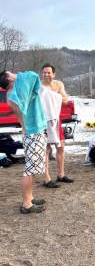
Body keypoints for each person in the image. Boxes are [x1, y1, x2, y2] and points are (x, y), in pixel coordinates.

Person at [0, 70, 47, 214]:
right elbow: (32, 75)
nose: (17, 73)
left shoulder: (12, 94)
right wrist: (19, 76)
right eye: (13, 73)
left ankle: (30, 197)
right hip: (32, 133)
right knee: (29, 169)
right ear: (10, 79)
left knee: (31, 168)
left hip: (29, 132)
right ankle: (26, 204)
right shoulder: (17, 92)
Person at [41, 63, 74, 187]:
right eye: (44, 72)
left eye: (49, 72)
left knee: (61, 147)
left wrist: (53, 97)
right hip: (43, 120)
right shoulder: (38, 86)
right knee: (46, 149)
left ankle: (61, 175)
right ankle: (47, 179)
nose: (46, 74)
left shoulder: (58, 84)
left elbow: (65, 100)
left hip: (56, 119)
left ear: (53, 74)